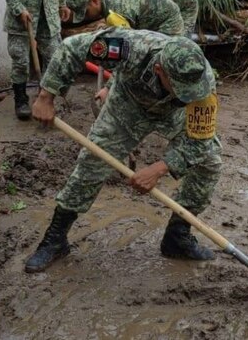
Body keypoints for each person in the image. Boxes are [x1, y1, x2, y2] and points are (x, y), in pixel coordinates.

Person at [24, 29, 222, 272]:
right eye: (181, 88)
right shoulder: (132, 48)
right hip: (127, 106)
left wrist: (160, 168)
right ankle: (55, 239)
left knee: (209, 162)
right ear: (159, 70)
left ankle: (177, 237)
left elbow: (200, 141)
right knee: (92, 163)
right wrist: (46, 96)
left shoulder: (202, 84)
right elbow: (72, 47)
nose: (189, 94)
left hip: (175, 113)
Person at [64, 0, 185, 36]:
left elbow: (131, 45)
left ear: (94, 1)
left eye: (86, 13)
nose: (86, 17)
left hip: (168, 22)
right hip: (153, 19)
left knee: (159, 59)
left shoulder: (117, 14)